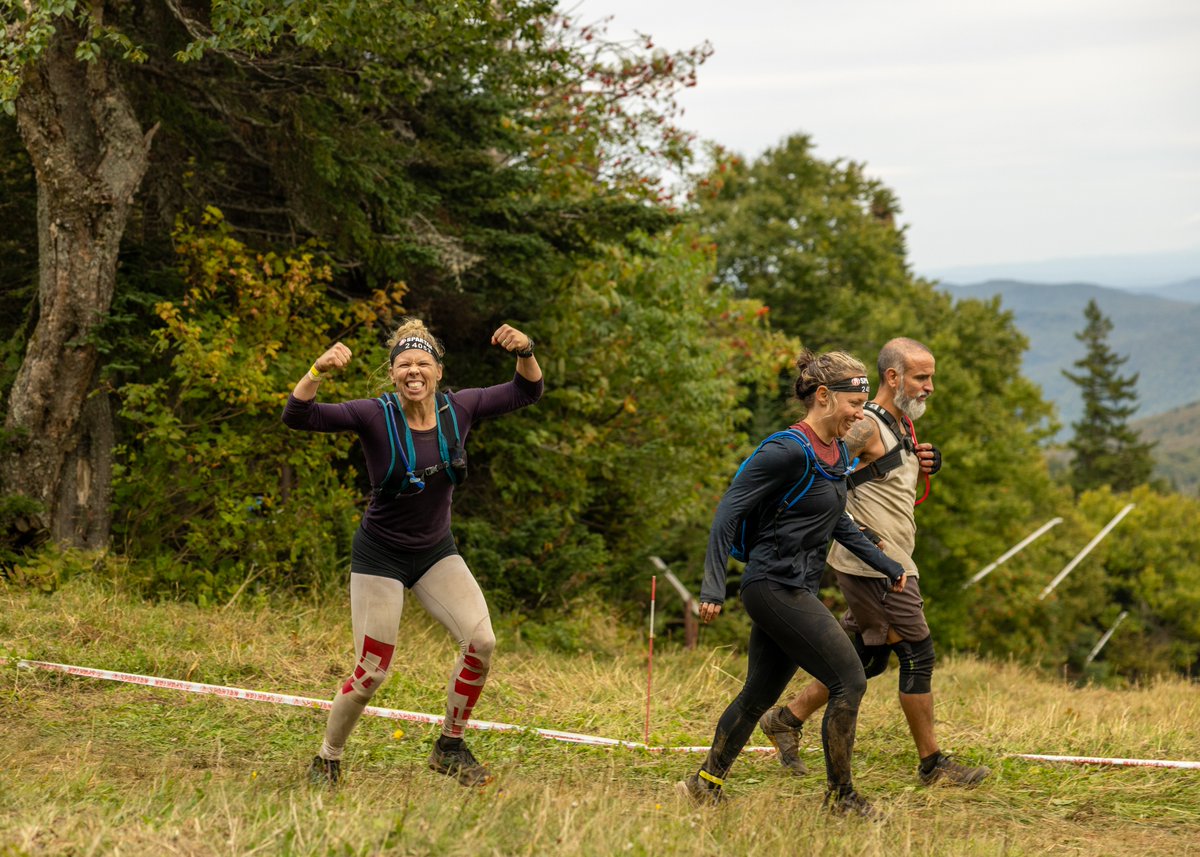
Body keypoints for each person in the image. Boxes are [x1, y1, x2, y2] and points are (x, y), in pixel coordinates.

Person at [282, 317, 542, 788]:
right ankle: (327, 759)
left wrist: (525, 350)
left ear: (439, 371)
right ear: (393, 373)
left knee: (481, 643)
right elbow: (297, 416)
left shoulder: (459, 409)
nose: (414, 371)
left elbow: (527, 392)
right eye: (405, 365)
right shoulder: (372, 415)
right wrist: (316, 371)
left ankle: (450, 746)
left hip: (436, 553)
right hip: (380, 558)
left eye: (423, 363)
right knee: (371, 673)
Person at [678, 349, 907, 817]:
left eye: (863, 406)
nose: (860, 416)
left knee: (759, 693)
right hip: (772, 587)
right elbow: (728, 512)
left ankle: (704, 784)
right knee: (849, 680)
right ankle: (841, 799)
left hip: (791, 588)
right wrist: (711, 587)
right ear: (823, 397)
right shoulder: (786, 450)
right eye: (853, 405)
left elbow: (837, 522)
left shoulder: (835, 453)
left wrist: (886, 564)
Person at [757, 337, 990, 787]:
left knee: (866, 656)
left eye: (931, 377)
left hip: (888, 559)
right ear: (893, 377)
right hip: (875, 563)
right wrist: (853, 533)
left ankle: (786, 718)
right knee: (917, 652)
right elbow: (818, 472)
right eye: (922, 377)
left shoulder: (899, 427)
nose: (930, 387)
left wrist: (925, 463)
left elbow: (879, 482)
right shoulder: (865, 426)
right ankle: (932, 765)